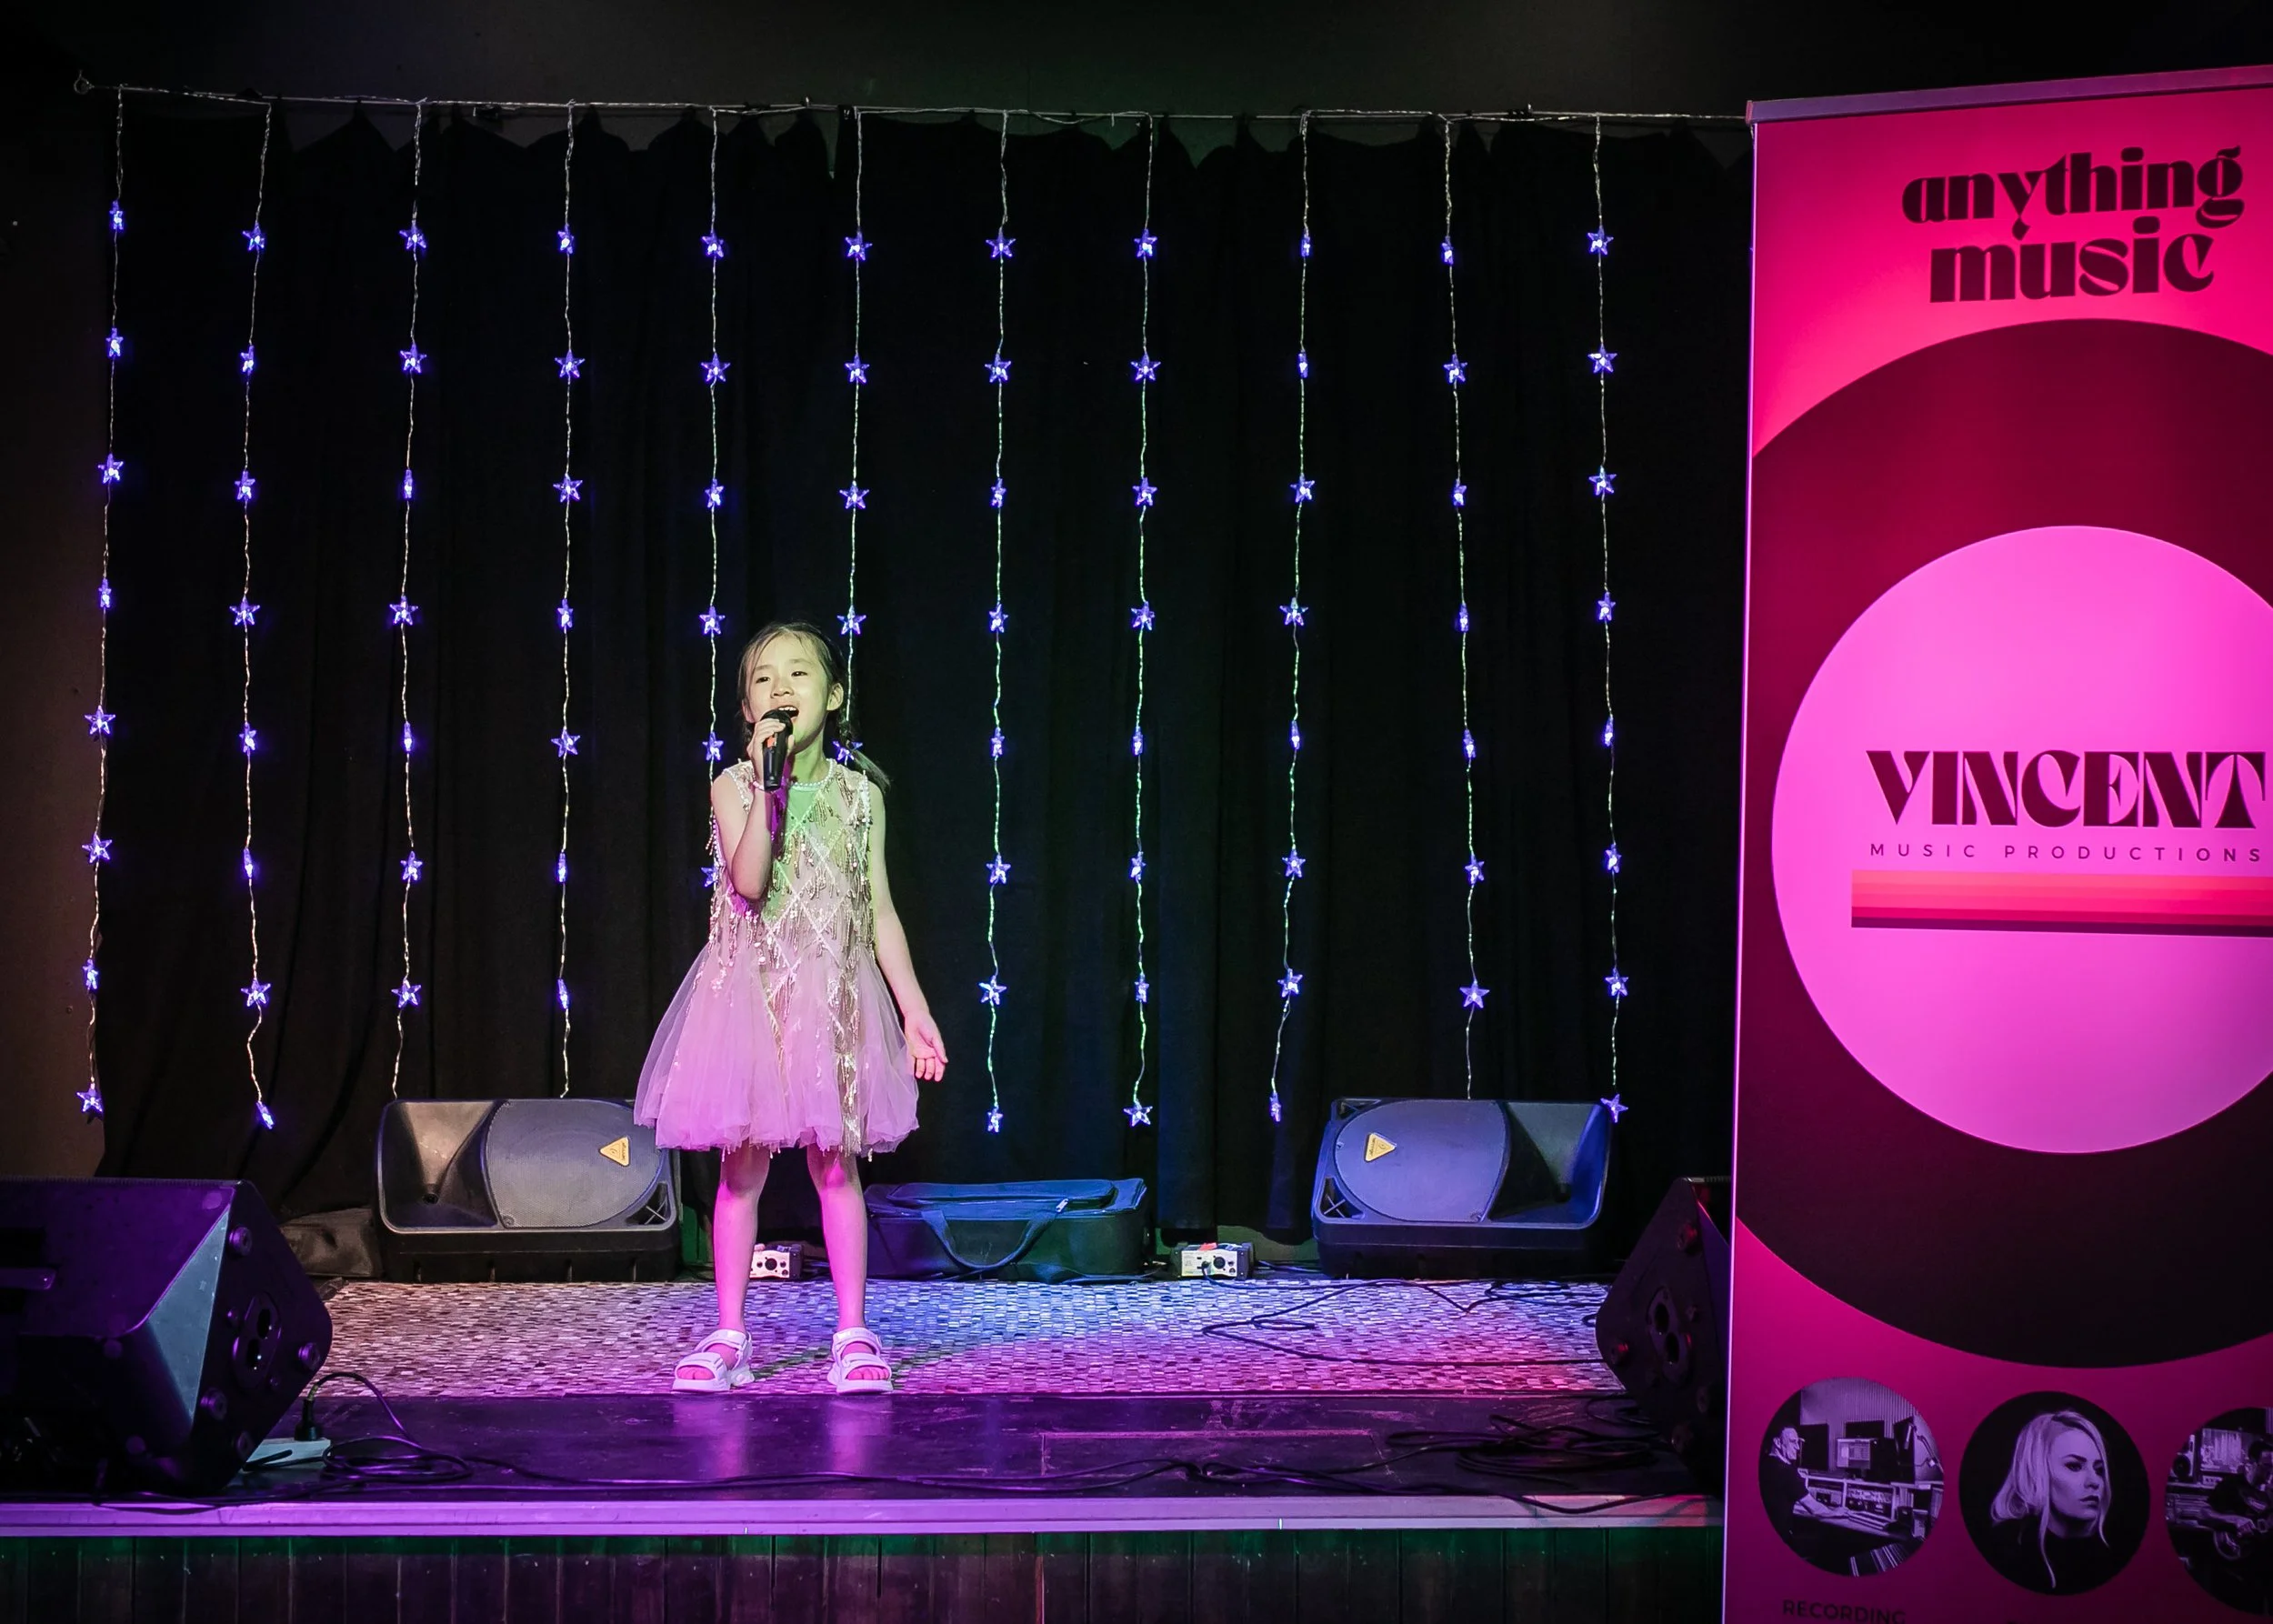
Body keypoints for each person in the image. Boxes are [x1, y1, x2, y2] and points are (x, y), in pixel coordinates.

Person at [635, 622, 947, 1396]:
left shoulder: (860, 795)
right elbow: (747, 882)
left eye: (799, 675)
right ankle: (731, 1332)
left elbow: (879, 913)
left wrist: (914, 1011)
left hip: (832, 1000)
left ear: (832, 695)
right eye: (764, 680)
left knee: (836, 1165)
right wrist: (768, 792)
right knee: (740, 1169)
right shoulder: (732, 787)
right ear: (746, 710)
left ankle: (851, 1331)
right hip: (750, 1002)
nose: (781, 690)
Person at [1982, 1409, 2125, 1594]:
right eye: (2074, 1466)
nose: (2095, 1481)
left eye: (2098, 1469)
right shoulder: (2005, 1551)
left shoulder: (2113, 1555)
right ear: (2036, 1472)